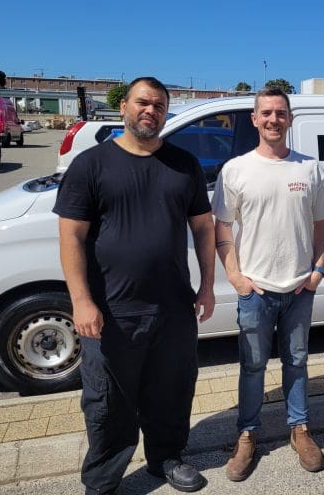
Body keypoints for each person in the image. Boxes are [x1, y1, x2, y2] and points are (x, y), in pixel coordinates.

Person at [54, 77, 216, 494]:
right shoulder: (91, 164)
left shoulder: (184, 165)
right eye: (143, 103)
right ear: (124, 106)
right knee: (109, 402)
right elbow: (71, 235)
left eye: (159, 105)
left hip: (173, 307)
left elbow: (202, 228)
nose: (151, 111)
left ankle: (167, 460)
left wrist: (207, 285)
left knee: (173, 390)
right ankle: (103, 481)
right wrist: (81, 301)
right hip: (111, 310)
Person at [213, 87, 324, 481]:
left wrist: (318, 272)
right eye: (265, 112)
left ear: (290, 119)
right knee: (251, 366)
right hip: (257, 292)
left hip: (300, 289)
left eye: (280, 113)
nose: (273, 119)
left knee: (297, 362)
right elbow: (222, 227)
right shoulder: (236, 169)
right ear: (254, 119)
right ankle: (247, 435)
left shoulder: (310, 169)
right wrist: (235, 277)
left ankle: (299, 430)